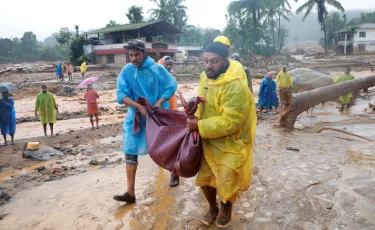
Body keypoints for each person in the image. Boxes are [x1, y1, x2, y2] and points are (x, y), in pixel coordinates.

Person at [186, 42, 256, 228]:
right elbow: (204, 101)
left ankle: (226, 207)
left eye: (214, 61)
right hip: (207, 138)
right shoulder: (204, 77)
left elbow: (231, 122)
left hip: (231, 142)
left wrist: (199, 125)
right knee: (206, 179)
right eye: (205, 61)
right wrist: (193, 106)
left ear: (226, 60)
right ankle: (212, 207)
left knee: (226, 179)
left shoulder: (235, 86)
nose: (208, 66)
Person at [113, 40, 177, 203]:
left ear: (144, 53)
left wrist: (158, 101)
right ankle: (130, 193)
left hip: (158, 114)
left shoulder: (157, 69)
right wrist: (137, 106)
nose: (133, 59)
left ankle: (174, 170)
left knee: (165, 146)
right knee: (130, 148)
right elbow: (121, 94)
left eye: (136, 55)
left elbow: (171, 86)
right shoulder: (126, 71)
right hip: (136, 117)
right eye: (130, 55)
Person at [158, 56, 180, 187]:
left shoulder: (171, 77)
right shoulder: (157, 77)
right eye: (167, 64)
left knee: (173, 144)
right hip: (161, 113)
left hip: (172, 112)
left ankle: (174, 173)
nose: (169, 66)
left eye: (171, 64)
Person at [276, 66, 293, 131]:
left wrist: (290, 85)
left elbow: (289, 79)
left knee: (288, 100)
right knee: (282, 100)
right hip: (281, 88)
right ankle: (283, 106)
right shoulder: (280, 73)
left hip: (286, 87)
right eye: (283, 69)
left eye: (285, 68)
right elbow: (277, 79)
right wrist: (277, 85)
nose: (284, 69)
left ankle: (286, 107)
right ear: (282, 69)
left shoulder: (287, 74)